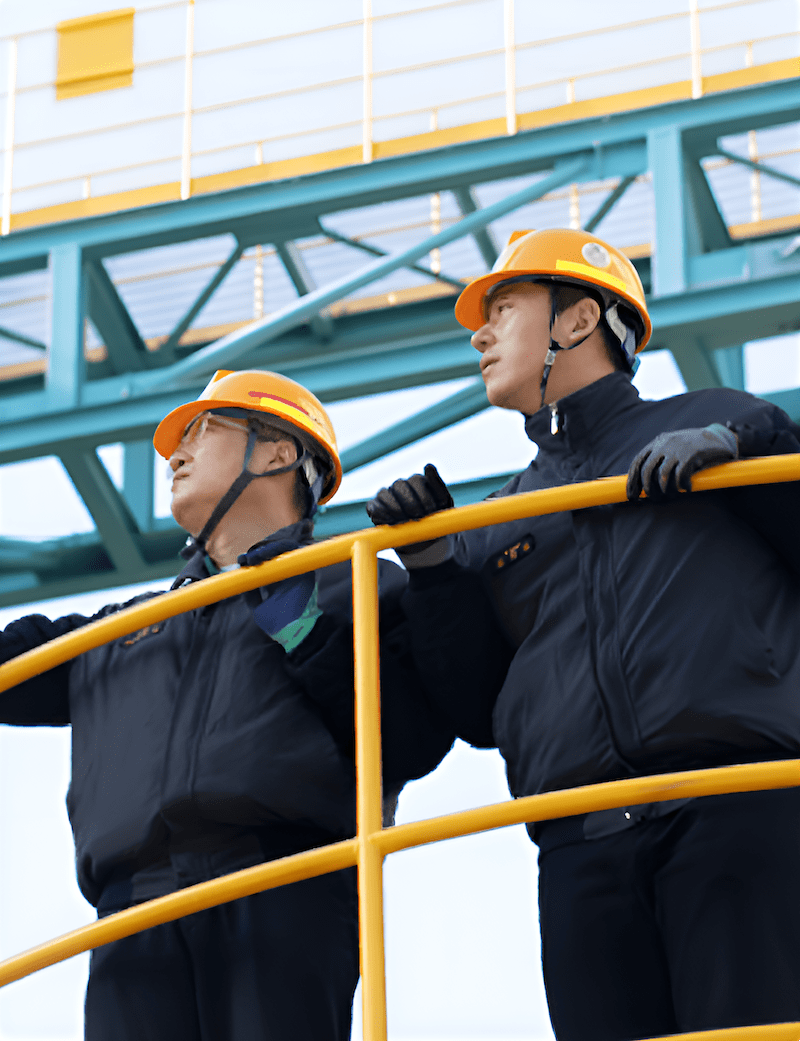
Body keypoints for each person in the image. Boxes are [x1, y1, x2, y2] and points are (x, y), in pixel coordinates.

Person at [366, 229, 800, 1041]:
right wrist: (429, 565)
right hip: (580, 852)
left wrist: (753, 446)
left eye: (502, 310)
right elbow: (476, 710)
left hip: (740, 812)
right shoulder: (501, 520)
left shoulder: (724, 422)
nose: (480, 333)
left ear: (576, 321)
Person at [0, 368, 453, 1041]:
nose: (174, 455)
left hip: (281, 890)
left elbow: (411, 739)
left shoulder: (355, 580)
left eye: (202, 431)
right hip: (131, 919)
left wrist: (305, 631)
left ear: (277, 453)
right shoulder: (123, 627)